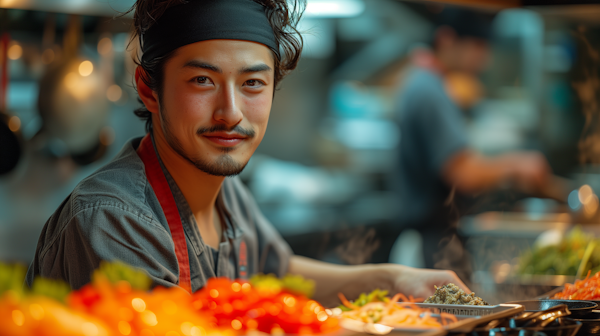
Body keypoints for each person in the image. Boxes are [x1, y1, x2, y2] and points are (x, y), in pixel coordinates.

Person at [26, 0, 469, 307]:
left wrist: (393, 279)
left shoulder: (226, 192)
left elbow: (273, 270)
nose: (231, 113)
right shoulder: (111, 219)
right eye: (202, 81)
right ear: (149, 87)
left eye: (253, 83)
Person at [391, 8, 551, 273]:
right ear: (446, 40)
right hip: (432, 245)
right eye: (477, 46)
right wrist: (517, 164)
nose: (483, 60)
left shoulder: (428, 84)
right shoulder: (428, 91)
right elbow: (463, 173)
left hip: (437, 241)